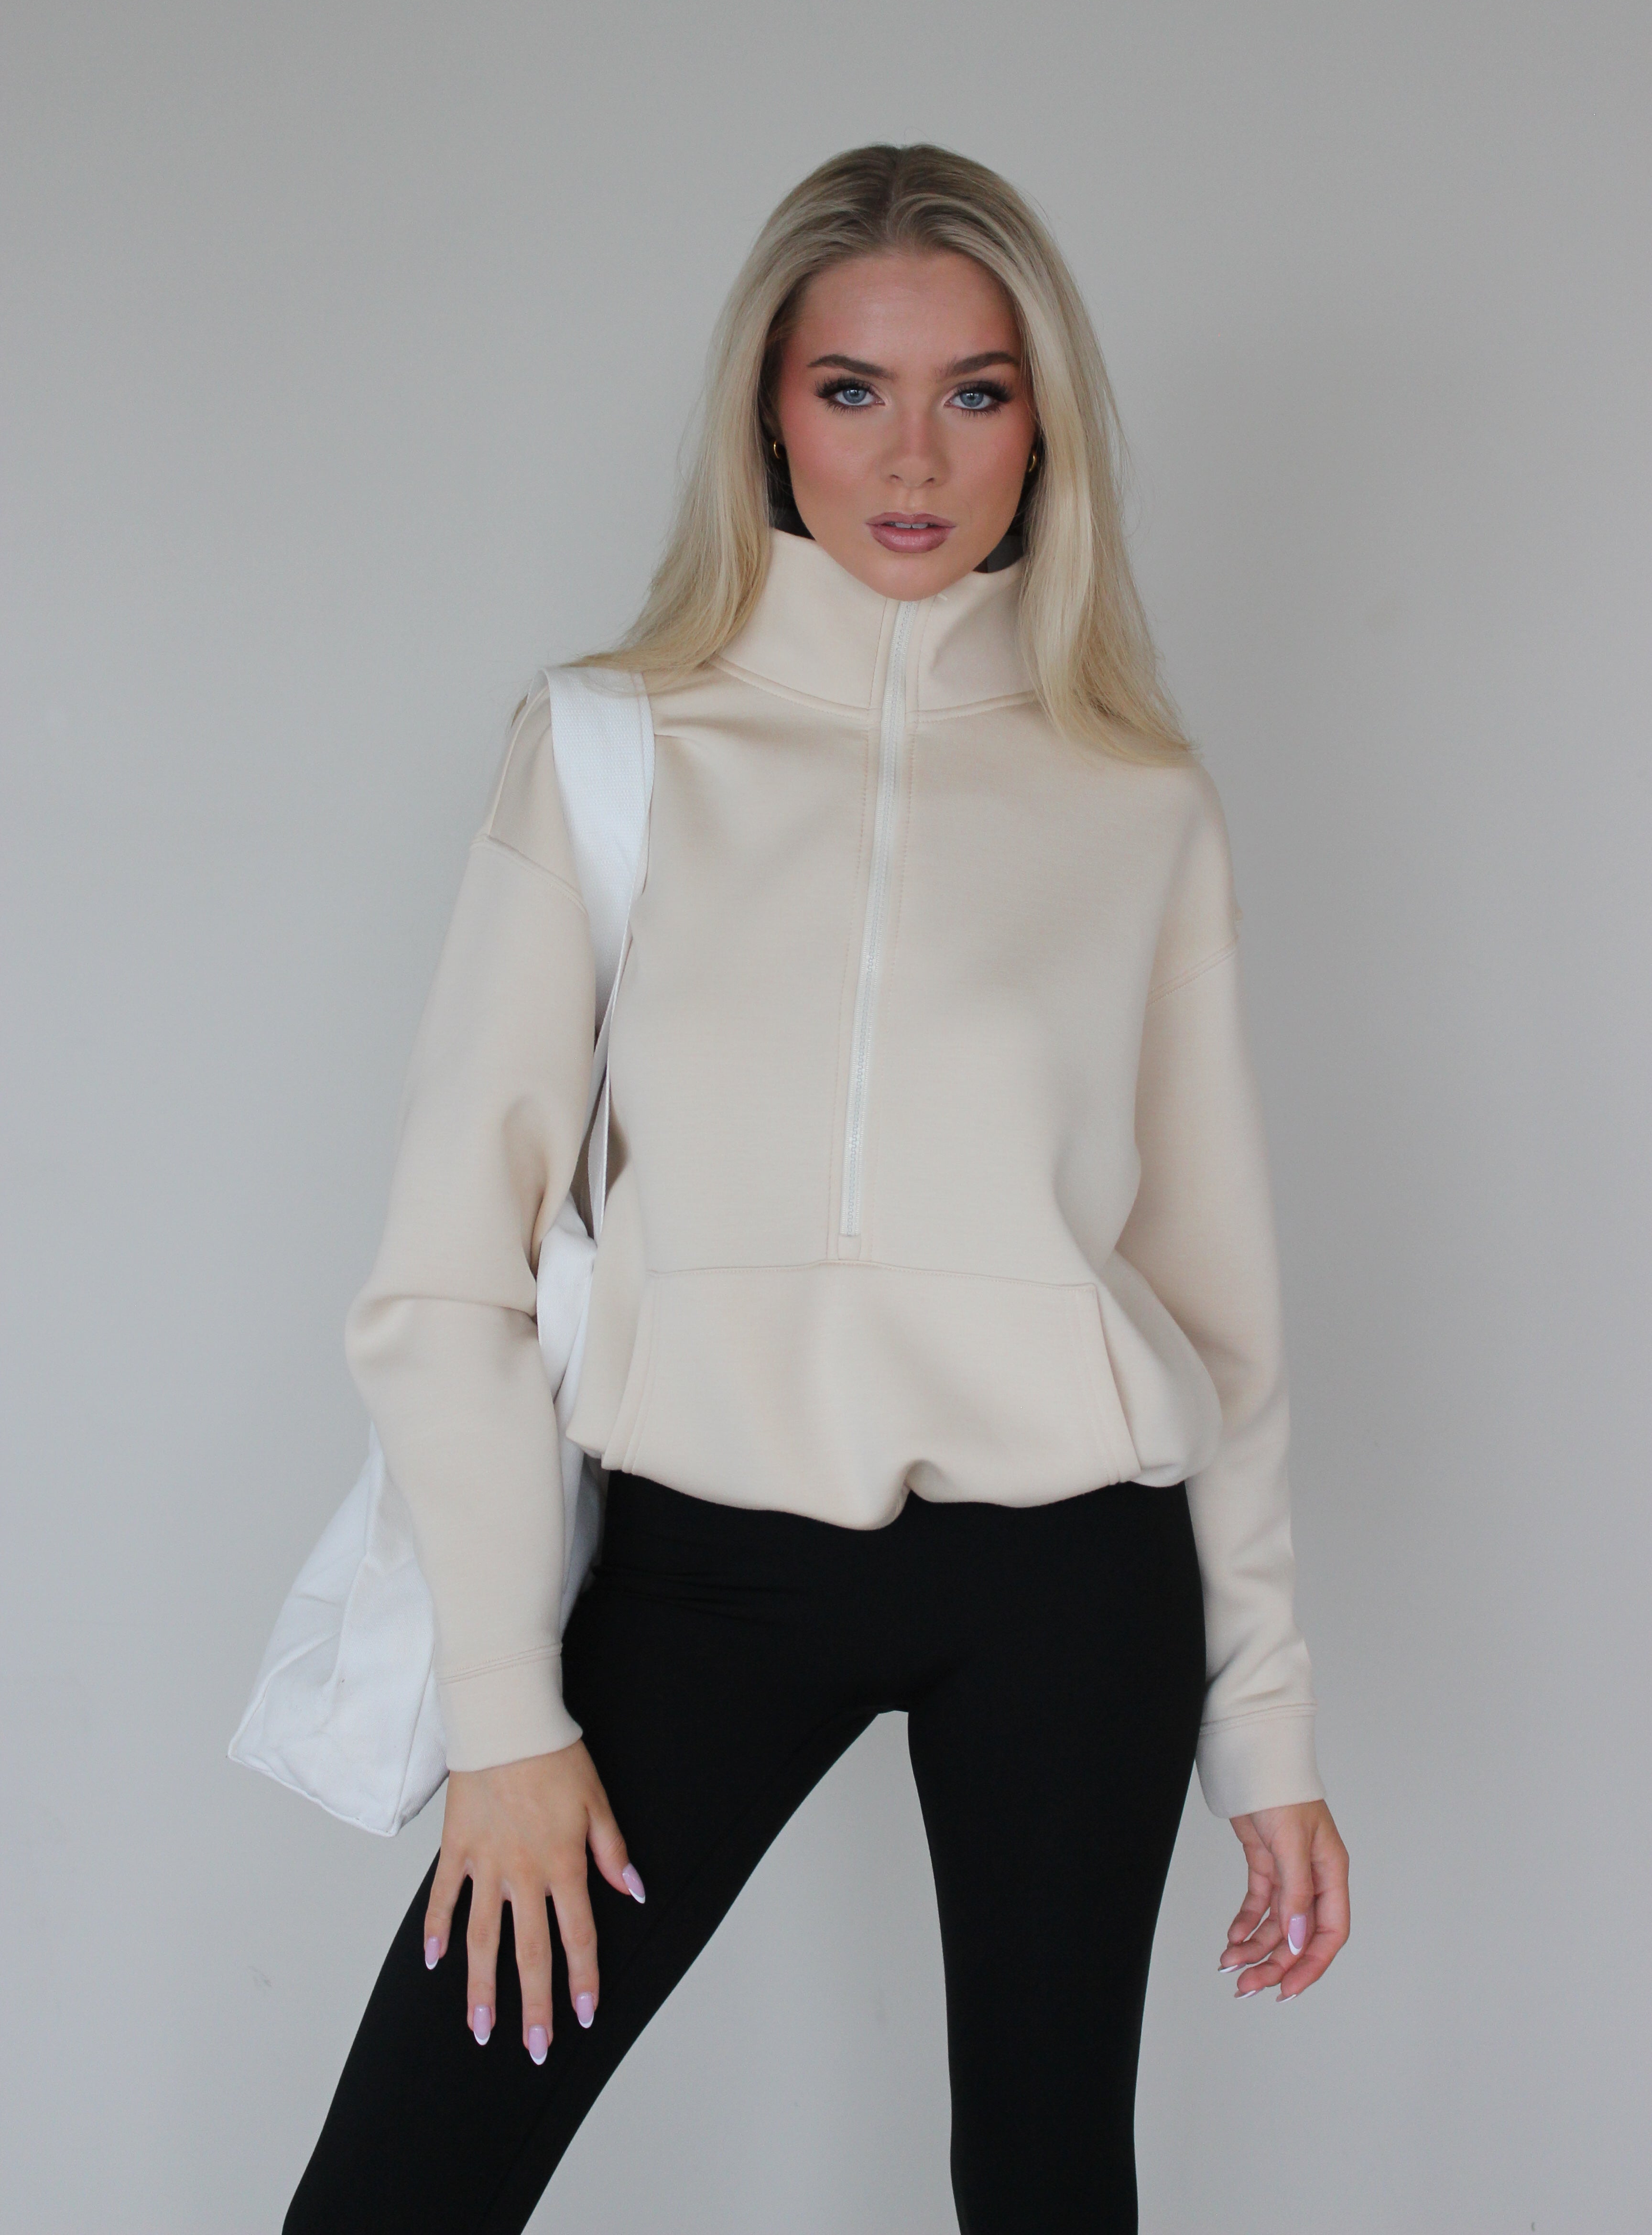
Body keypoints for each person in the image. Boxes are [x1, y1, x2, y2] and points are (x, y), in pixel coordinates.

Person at [283, 141, 1350, 2234]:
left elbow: (1217, 1311)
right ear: (768, 415)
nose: (914, 455)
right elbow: (447, 1274)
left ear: (1043, 425)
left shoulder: (1138, 796)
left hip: (1075, 1584)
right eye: (852, 387)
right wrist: (506, 1718)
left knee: (1049, 2191)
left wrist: (1272, 1730)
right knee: (403, 2187)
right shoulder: (609, 748)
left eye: (977, 390)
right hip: (706, 1574)